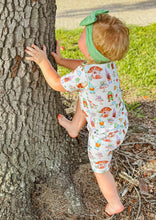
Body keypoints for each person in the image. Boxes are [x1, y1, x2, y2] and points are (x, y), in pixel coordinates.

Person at [25, 9, 129, 216]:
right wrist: (61, 61)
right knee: (86, 94)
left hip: (102, 137)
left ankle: (114, 202)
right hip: (119, 123)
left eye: (83, 35)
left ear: (90, 48)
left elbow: (56, 83)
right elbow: (83, 66)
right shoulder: (106, 64)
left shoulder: (86, 75)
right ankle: (74, 127)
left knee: (101, 170)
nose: (80, 35)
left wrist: (43, 61)